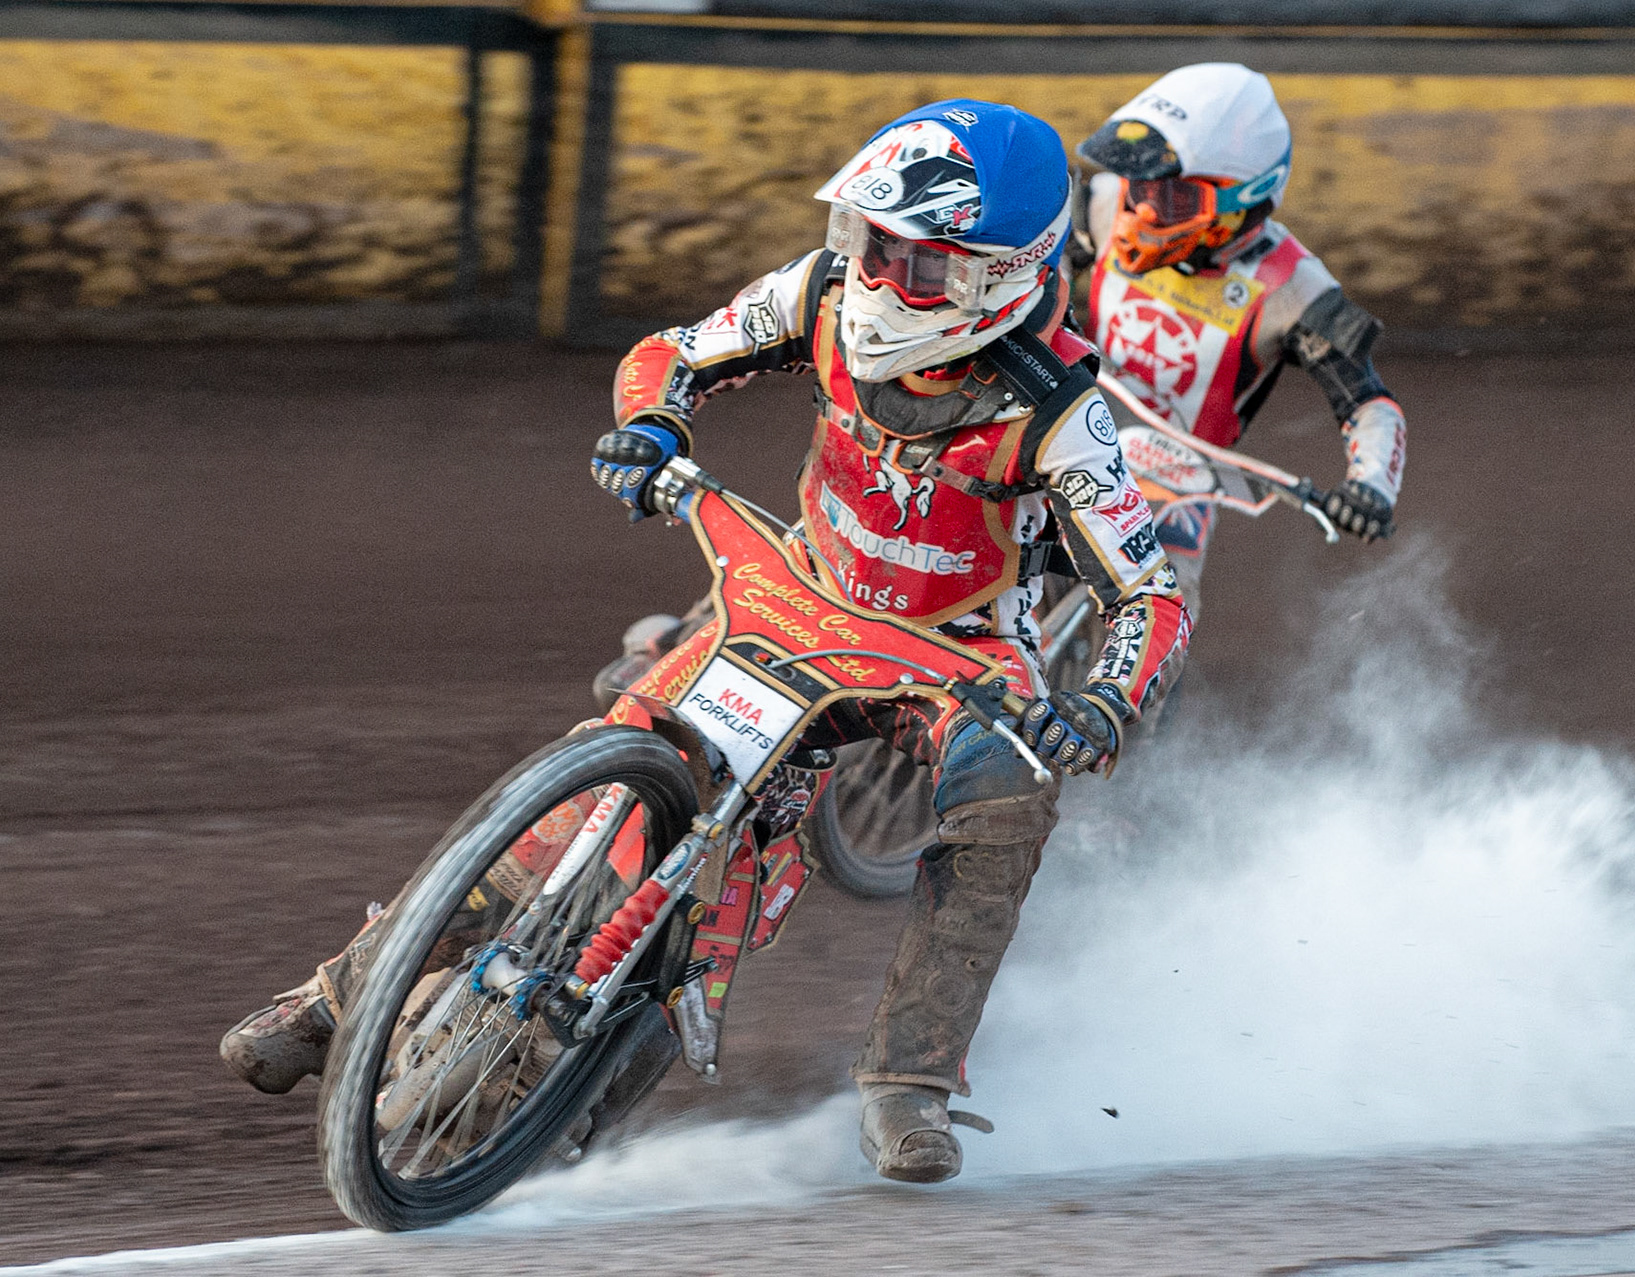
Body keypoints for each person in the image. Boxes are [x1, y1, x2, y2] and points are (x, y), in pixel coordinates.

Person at [221, 100, 1190, 1186]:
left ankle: (910, 1081)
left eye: (920, 266)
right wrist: (652, 426)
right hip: (793, 583)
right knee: (606, 750)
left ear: (997, 278)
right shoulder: (818, 295)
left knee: (1007, 800)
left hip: (949, 653)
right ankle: (338, 992)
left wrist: (1102, 701)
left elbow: (1150, 593)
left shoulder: (1063, 414)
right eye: (873, 246)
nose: (878, 281)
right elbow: (670, 352)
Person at [1073, 63, 1407, 621]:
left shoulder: (1295, 288)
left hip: (1179, 475)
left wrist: (1370, 489)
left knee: (1163, 607)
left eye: (1176, 199)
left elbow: (1367, 401)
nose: (1144, 213)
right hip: (1068, 420)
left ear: (1239, 201)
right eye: (1142, 188)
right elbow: (1029, 266)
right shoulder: (1102, 202)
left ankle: (1152, 708)